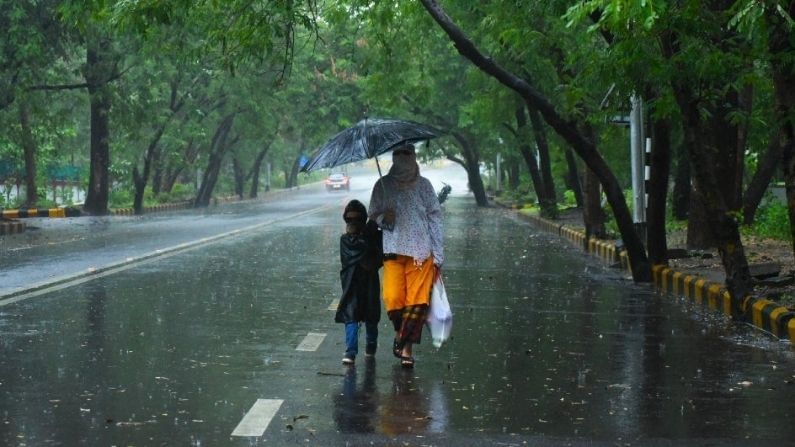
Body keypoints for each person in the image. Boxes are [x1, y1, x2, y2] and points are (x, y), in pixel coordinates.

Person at [368, 143, 443, 368]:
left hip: (421, 253)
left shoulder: (424, 186)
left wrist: (439, 255)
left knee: (417, 303)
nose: (403, 158)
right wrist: (384, 218)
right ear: (393, 157)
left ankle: (407, 348)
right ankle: (401, 334)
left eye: (407, 153)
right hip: (392, 251)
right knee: (393, 299)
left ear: (413, 156)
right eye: (398, 154)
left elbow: (435, 218)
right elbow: (373, 215)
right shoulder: (382, 186)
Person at [336, 199, 382, 365]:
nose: (353, 223)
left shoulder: (374, 237)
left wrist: (371, 233)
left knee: (371, 316)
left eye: (357, 219)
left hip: (370, 283)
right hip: (352, 284)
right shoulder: (346, 240)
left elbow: (375, 260)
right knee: (351, 316)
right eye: (349, 219)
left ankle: (371, 344)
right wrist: (367, 234)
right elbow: (358, 252)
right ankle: (350, 350)